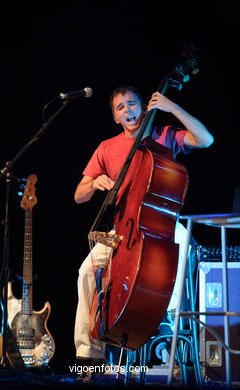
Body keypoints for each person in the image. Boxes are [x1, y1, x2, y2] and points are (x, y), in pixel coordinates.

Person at [73, 86, 214, 370]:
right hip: (124, 228)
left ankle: (168, 327)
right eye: (121, 108)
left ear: (144, 107)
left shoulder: (163, 135)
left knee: (177, 254)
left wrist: (172, 107)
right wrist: (93, 184)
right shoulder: (107, 147)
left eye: (132, 104)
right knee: (87, 272)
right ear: (115, 117)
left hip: (163, 221)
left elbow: (206, 139)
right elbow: (78, 195)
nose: (128, 111)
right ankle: (90, 356)